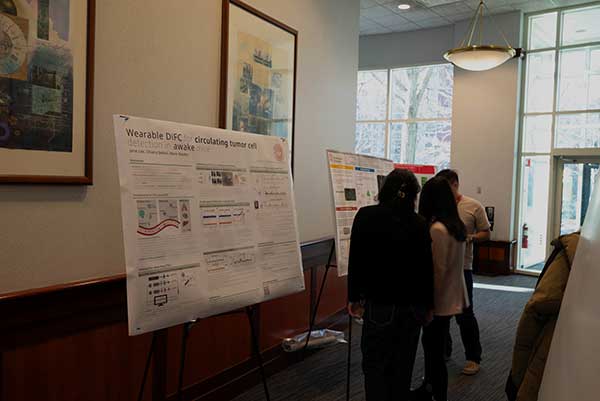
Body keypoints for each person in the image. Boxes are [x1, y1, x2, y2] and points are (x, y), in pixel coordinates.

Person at [348, 169, 434, 401]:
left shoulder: (366, 216)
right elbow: (426, 269)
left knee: (375, 365)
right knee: (402, 367)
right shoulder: (419, 223)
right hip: (412, 307)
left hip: (379, 304)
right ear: (414, 195)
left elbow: (357, 259)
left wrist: (354, 297)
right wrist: (428, 306)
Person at [416, 177, 468, 401]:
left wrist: (428, 305)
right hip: (452, 296)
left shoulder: (437, 229)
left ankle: (437, 392)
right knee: (435, 348)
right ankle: (430, 387)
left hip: (439, 301)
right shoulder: (456, 227)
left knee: (433, 351)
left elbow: (437, 271)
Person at [437, 169, 491, 376]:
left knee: (465, 315)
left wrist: (469, 238)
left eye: (445, 187)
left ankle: (473, 357)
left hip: (463, 267)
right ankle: (444, 351)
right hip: (440, 267)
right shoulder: (437, 206)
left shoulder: (473, 206)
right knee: (440, 314)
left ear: (455, 184)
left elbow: (486, 233)